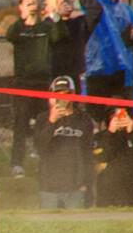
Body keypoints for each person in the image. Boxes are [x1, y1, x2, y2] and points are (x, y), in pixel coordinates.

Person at [6, 0, 65, 177]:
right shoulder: (19, 29)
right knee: (21, 124)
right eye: (28, 3)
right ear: (21, 7)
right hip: (23, 83)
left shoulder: (46, 27)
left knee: (45, 120)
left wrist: (54, 15)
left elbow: (59, 36)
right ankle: (17, 163)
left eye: (35, 3)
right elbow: (10, 35)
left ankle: (45, 160)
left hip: (43, 83)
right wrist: (23, 19)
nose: (33, 6)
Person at [80, 0, 133, 125]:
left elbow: (127, 36)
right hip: (97, 68)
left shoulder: (124, 9)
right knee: (96, 112)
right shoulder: (95, 3)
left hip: (118, 68)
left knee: (117, 112)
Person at [34, 75, 94, 209]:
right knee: (48, 226)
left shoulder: (84, 119)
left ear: (73, 95)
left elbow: (88, 154)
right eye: (58, 93)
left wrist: (86, 183)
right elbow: (40, 147)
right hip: (49, 186)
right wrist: (52, 121)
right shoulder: (43, 119)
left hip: (76, 186)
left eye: (66, 93)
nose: (62, 97)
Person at [94, 107, 133, 206]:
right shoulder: (99, 137)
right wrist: (110, 132)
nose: (119, 119)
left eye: (123, 115)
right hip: (107, 191)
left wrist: (132, 132)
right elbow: (102, 156)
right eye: (115, 116)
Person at [46, 0, 87, 88]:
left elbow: (94, 11)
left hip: (74, 72)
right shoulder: (48, 23)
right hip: (54, 72)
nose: (65, 6)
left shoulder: (79, 23)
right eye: (61, 3)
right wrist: (57, 16)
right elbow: (56, 36)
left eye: (68, 2)